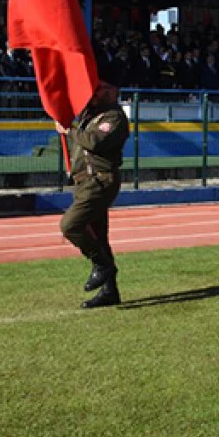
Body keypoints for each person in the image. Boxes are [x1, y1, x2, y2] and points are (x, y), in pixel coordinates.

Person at [58, 82, 131, 309]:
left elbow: (94, 142)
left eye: (103, 89)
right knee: (99, 237)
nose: (97, 92)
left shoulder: (114, 117)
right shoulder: (92, 114)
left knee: (70, 225)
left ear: (115, 91)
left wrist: (69, 130)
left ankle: (102, 265)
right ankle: (110, 291)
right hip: (85, 182)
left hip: (100, 181)